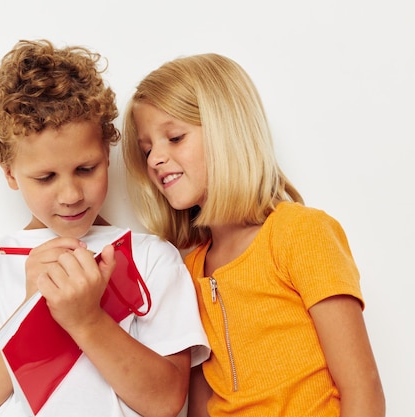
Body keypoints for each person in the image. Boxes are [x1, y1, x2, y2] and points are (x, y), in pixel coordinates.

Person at [0, 39, 210, 417]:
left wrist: (86, 320)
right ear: (10, 173)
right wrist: (32, 308)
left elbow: (166, 401)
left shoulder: (150, 257)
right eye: (46, 177)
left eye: (86, 169)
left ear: (107, 154)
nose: (70, 195)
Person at [121, 53, 385, 416]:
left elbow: (363, 388)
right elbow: (200, 406)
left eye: (175, 137)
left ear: (227, 131)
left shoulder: (301, 233)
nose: (154, 159)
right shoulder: (189, 269)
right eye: (147, 149)